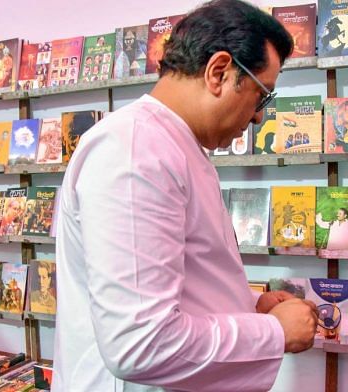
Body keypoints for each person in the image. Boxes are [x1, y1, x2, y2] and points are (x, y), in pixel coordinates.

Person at [53, 1, 318, 390]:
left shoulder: (171, 145)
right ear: (219, 72)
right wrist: (273, 333)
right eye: (262, 96)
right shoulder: (135, 152)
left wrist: (248, 307)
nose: (259, 116)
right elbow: (141, 344)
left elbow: (169, 278)